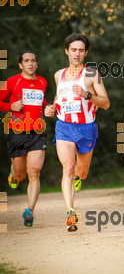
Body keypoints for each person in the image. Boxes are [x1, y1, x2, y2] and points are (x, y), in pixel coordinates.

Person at [45, 33, 110, 232]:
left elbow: (106, 103)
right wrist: (52, 108)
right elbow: (58, 98)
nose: (77, 53)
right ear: (67, 51)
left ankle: (77, 179)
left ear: (86, 53)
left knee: (81, 171)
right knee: (68, 166)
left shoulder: (92, 75)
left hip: (86, 128)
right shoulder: (59, 75)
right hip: (64, 126)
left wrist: (87, 95)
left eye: (81, 50)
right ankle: (70, 212)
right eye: (73, 49)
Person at [0, 51, 49, 227]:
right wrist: (10, 106)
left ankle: (30, 210)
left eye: (33, 61)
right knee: (21, 175)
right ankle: (13, 173)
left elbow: (42, 103)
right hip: (17, 132)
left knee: (34, 172)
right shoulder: (13, 81)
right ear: (20, 65)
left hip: (37, 132)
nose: (31, 64)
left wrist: (49, 107)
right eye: (27, 61)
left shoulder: (43, 82)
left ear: (36, 64)